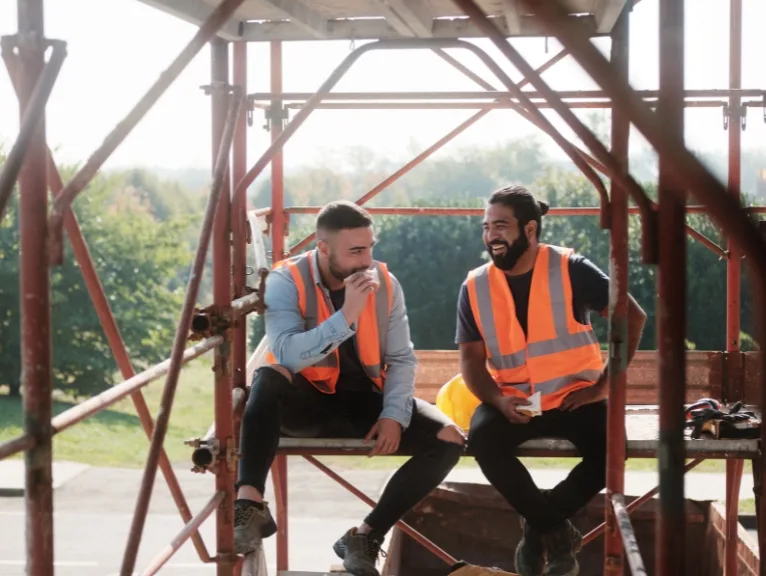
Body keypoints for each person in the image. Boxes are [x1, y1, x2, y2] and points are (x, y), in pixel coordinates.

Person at [234, 200, 465, 576]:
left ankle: (366, 536)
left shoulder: (386, 284)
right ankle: (249, 505)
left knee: (450, 438)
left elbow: (402, 360)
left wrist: (393, 415)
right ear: (323, 248)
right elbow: (287, 354)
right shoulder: (285, 281)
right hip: (307, 404)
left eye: (370, 247)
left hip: (365, 405)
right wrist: (347, 316)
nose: (366, 260)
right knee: (267, 377)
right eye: (355, 251)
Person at [455, 186, 646, 576]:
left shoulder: (570, 267)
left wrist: (604, 386)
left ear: (529, 229)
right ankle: (556, 531)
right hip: (515, 399)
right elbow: (472, 362)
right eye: (486, 226)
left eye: (501, 226)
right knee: (484, 440)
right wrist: (496, 399)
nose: (491, 235)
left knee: (612, 451)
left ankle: (538, 526)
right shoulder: (474, 286)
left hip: (576, 394)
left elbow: (633, 316)